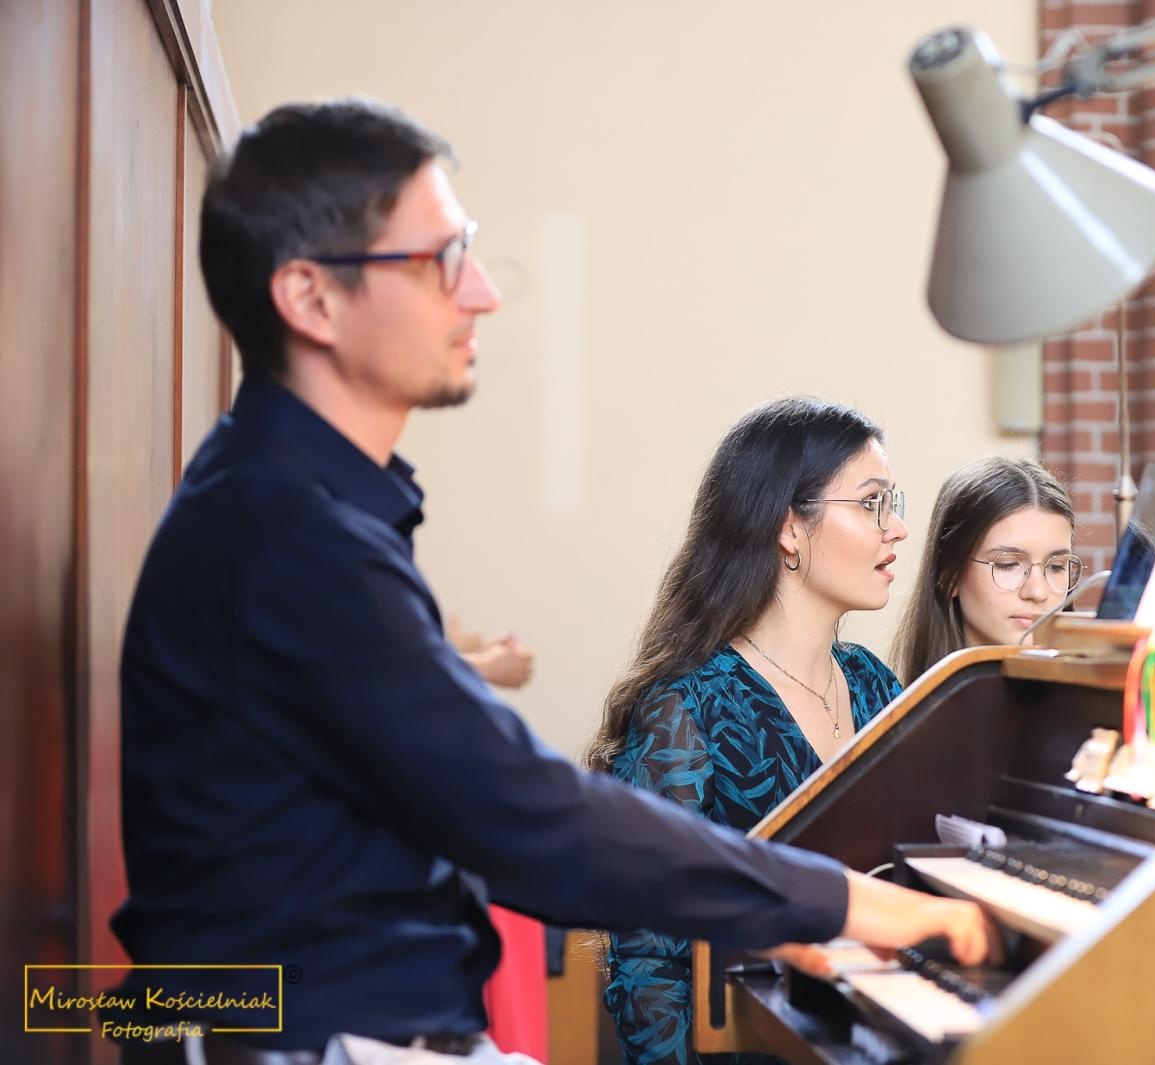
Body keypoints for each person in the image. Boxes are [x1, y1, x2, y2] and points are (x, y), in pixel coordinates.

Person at [111, 98, 991, 1065]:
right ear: (311, 298)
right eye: (441, 258)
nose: (483, 291)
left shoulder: (296, 504)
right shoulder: (285, 533)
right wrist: (840, 902)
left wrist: (768, 914)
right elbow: (523, 814)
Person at [584, 396, 908, 1064]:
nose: (898, 528)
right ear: (790, 528)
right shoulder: (685, 707)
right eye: (872, 503)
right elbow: (649, 968)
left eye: (892, 503)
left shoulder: (875, 684)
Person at [892, 457, 1078, 679]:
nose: (1037, 592)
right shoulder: (886, 694)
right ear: (948, 575)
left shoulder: (1099, 698)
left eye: (1056, 567)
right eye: (1008, 564)